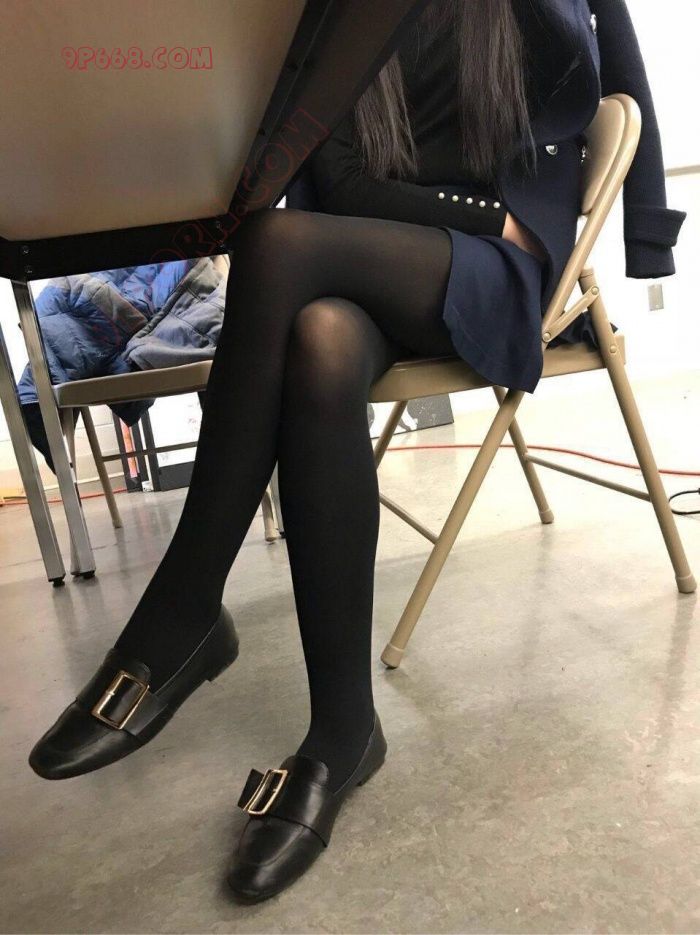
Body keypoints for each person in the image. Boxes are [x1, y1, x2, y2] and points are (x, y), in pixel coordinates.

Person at [28, 0, 685, 903]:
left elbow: (623, 77)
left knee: (274, 242)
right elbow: (333, 176)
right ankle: (344, 732)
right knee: (320, 342)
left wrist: (637, 235)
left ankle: (182, 614)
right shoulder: (335, 11)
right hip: (367, 256)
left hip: (495, 264)